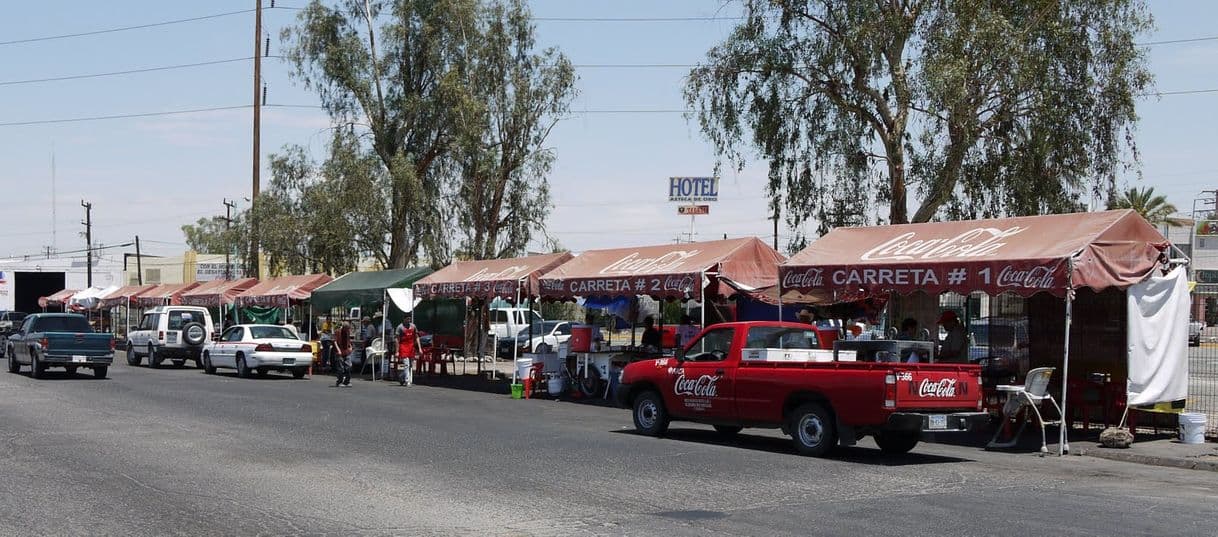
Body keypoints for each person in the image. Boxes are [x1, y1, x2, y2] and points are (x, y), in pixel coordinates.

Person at [395, 314, 421, 386]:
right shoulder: (400, 327)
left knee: (410, 365)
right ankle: (407, 381)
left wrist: (420, 348)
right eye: (407, 319)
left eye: (410, 319)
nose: (409, 320)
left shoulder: (413, 326)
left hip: (411, 347)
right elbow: (397, 339)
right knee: (406, 364)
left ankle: (401, 377)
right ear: (404, 319)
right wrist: (397, 351)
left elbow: (417, 337)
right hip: (403, 347)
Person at [334, 320, 353, 387]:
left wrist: (350, 347)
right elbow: (335, 342)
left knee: (349, 366)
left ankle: (347, 381)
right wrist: (338, 350)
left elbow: (348, 340)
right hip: (339, 352)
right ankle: (339, 381)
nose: (347, 330)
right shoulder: (338, 331)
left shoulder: (347, 332)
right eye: (346, 328)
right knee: (341, 368)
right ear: (343, 327)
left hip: (346, 351)